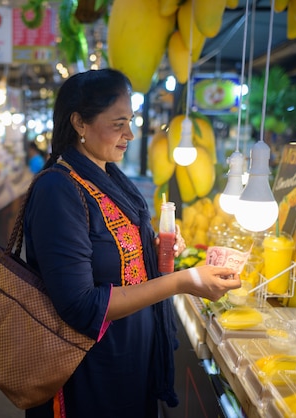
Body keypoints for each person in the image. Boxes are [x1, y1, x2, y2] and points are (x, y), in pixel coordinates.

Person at [23, 69, 241, 418]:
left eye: (132, 121)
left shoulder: (110, 178)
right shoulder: (59, 190)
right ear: (79, 122)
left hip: (128, 360)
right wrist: (182, 281)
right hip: (88, 373)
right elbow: (79, 305)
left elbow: (110, 262)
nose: (130, 134)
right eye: (118, 123)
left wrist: (149, 254)